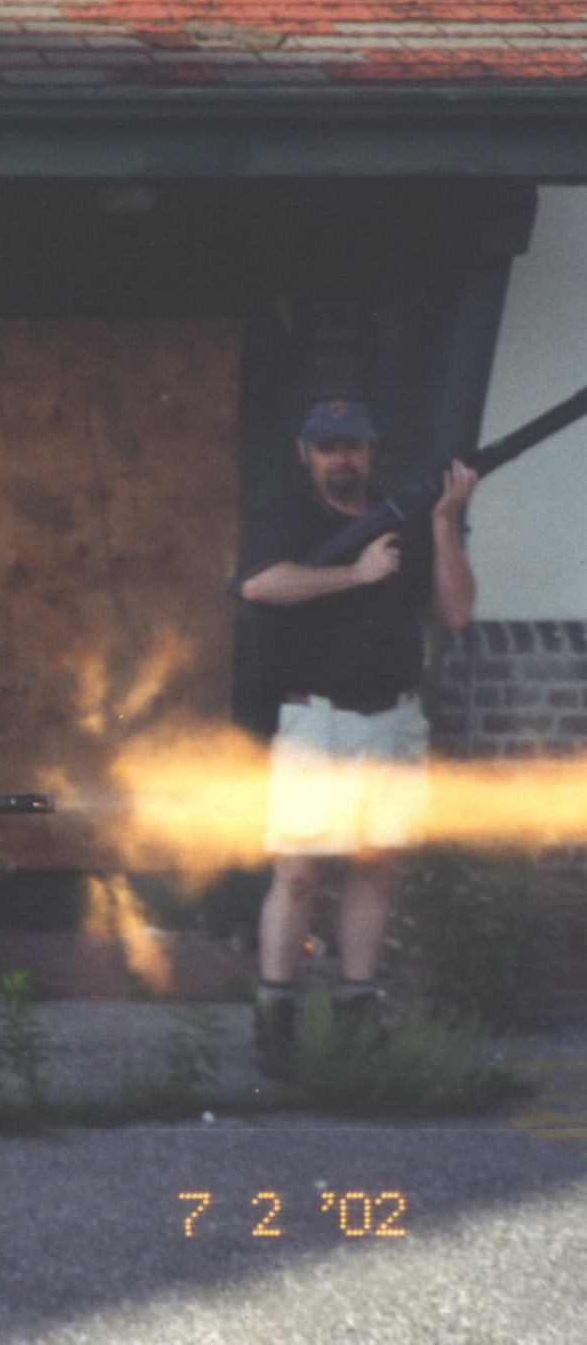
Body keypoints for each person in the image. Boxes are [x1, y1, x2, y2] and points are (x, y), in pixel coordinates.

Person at [236, 400, 476, 1075]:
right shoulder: (287, 517)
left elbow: (456, 611)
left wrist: (444, 521)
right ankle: (275, 1019)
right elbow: (258, 586)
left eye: (354, 446)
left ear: (373, 452)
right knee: (300, 871)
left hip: (392, 719)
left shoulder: (413, 520)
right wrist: (355, 573)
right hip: (317, 721)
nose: (342, 459)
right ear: (305, 454)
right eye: (329, 447)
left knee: (375, 866)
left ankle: (357, 1014)